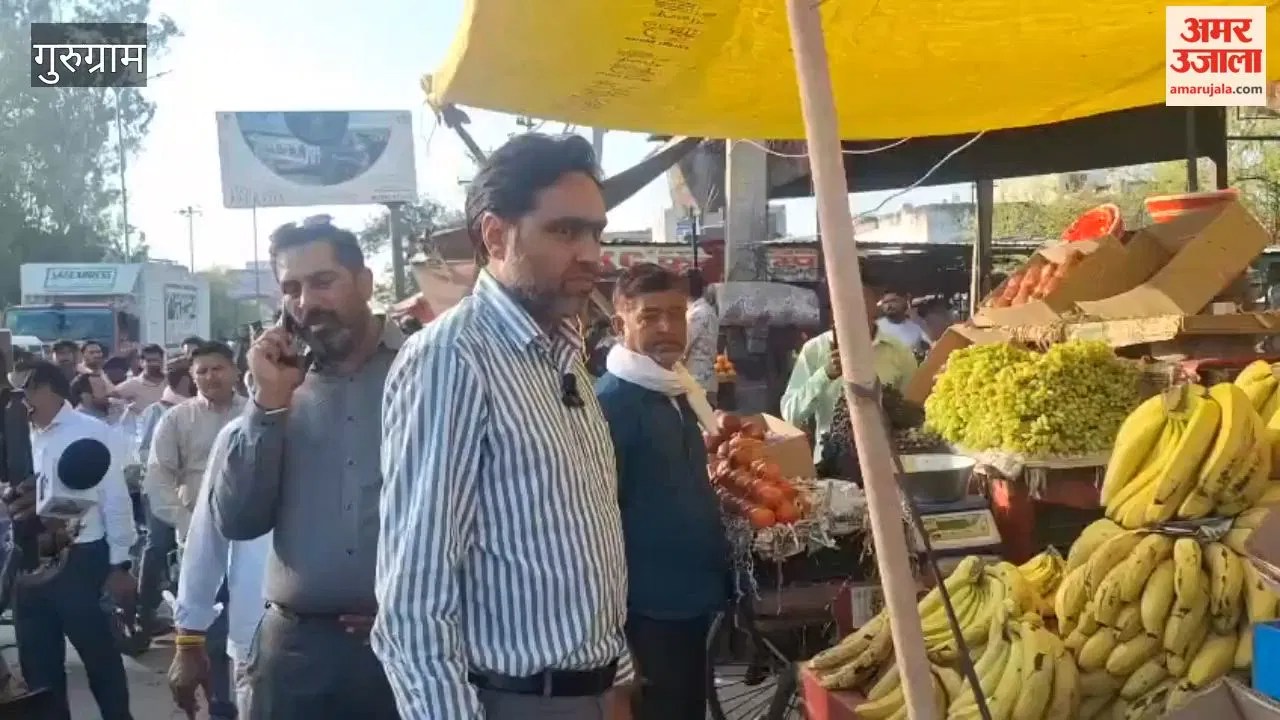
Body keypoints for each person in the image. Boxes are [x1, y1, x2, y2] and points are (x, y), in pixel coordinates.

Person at [376, 133, 627, 720]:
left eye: (596, 233)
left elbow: (588, 543)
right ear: (495, 235)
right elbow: (414, 596)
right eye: (565, 231)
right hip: (508, 701)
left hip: (591, 694)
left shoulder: (565, 356)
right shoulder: (452, 358)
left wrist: (617, 686)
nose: (590, 254)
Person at [209, 217, 402, 719]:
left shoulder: (424, 368)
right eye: (291, 288)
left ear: (365, 282)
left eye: (322, 281)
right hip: (296, 656)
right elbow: (238, 519)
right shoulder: (277, 383)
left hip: (408, 653)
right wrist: (268, 405)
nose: (306, 302)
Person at [596, 264, 728, 720]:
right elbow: (598, 520)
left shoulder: (676, 387)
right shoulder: (613, 404)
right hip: (649, 610)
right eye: (650, 317)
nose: (668, 328)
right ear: (621, 324)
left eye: (676, 314)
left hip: (692, 597)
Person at [3, 359, 137, 720]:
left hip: (82, 560)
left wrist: (120, 563)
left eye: (21, 393)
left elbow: (116, 500)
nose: (16, 402)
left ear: (46, 389)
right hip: (26, 563)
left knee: (100, 659)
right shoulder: (15, 436)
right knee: (39, 668)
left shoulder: (90, 432)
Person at [170, 416, 271, 720]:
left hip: (357, 639)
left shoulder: (372, 425)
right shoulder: (239, 436)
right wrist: (188, 639)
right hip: (257, 636)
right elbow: (207, 538)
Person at [781, 269, 918, 461]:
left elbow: (914, 411)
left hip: (887, 465)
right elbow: (790, 414)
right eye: (843, 298)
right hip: (830, 466)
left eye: (860, 298)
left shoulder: (899, 352)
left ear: (875, 302)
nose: (852, 306)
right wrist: (824, 375)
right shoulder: (815, 350)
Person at [145, 343, 245, 539]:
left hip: (251, 528)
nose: (210, 377)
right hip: (195, 527)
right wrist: (185, 521)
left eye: (217, 369)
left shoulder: (254, 414)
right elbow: (158, 475)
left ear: (235, 371)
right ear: (192, 376)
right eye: (202, 371)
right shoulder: (175, 418)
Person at [134, 357, 195, 637]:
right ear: (185, 380)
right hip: (161, 489)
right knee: (158, 546)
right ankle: (144, 611)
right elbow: (144, 453)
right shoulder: (158, 412)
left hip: (191, 493)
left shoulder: (203, 411)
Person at [682, 269, 719, 396]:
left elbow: (683, 346)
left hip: (697, 381)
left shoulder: (696, 314)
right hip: (704, 379)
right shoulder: (706, 310)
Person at [111, 344, 167, 413]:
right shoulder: (132, 384)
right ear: (141, 362)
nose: (153, 364)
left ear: (162, 361)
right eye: (149, 361)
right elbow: (109, 398)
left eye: (156, 360)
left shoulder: (172, 381)